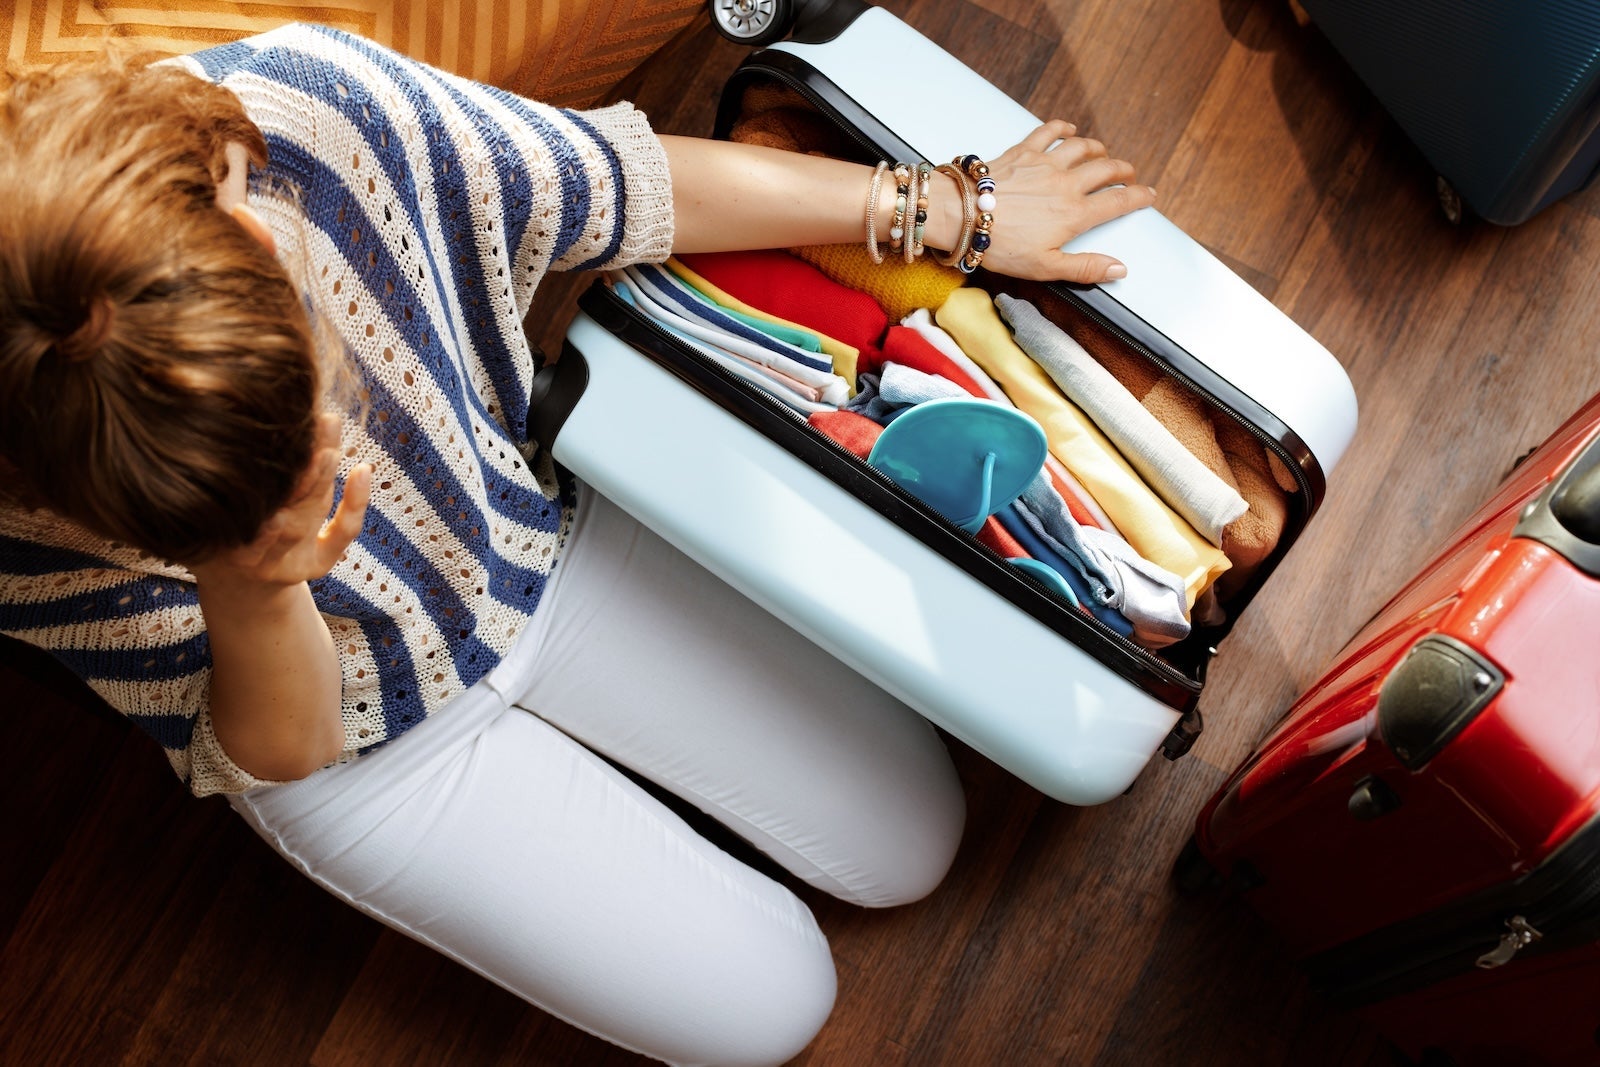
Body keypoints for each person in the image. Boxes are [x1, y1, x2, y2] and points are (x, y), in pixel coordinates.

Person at [0, 23, 1155, 1067]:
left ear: (252, 227)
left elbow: (617, 186)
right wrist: (254, 586)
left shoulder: (306, 110)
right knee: (773, 1007)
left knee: (915, 839)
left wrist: (950, 205)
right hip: (361, 748)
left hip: (527, 527)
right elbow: (283, 746)